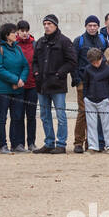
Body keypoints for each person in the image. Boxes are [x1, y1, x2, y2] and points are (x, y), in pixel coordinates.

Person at [30, 14, 76, 154]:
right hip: (42, 85)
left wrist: (59, 74)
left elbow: (72, 62)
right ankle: (49, 143)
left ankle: (61, 144)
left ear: (55, 25)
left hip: (57, 85)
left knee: (61, 116)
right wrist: (36, 73)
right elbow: (35, 61)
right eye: (45, 24)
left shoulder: (65, 41)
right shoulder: (40, 42)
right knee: (45, 116)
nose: (46, 26)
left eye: (49, 24)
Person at [72, 15, 109, 153]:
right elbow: (73, 61)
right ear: (86, 26)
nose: (92, 28)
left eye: (95, 25)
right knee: (83, 112)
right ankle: (78, 142)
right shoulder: (79, 41)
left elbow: (105, 61)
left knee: (97, 113)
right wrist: (76, 78)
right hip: (83, 80)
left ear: (98, 26)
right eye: (90, 25)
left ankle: (92, 142)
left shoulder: (102, 40)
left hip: (98, 81)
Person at [0, 23, 27, 154]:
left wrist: (21, 80)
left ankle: (16, 144)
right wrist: (16, 80)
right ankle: (3, 145)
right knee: (2, 118)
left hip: (17, 89)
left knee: (17, 117)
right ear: (6, 35)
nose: (16, 35)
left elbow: (25, 66)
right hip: (2, 90)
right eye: (13, 33)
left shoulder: (18, 49)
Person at [80, 49, 109, 154]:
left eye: (97, 61)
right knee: (91, 124)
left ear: (102, 58)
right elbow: (85, 84)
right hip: (90, 100)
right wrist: (85, 97)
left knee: (106, 125)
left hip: (104, 100)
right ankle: (93, 146)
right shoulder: (88, 69)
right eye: (93, 62)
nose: (96, 64)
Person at [15, 20, 38, 152]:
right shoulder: (15, 44)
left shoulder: (34, 44)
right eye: (22, 31)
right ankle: (19, 143)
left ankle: (31, 142)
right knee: (18, 115)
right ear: (18, 31)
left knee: (31, 116)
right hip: (18, 85)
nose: (24, 33)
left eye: (26, 30)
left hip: (32, 85)